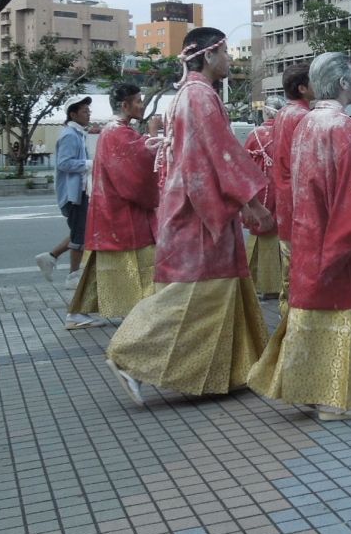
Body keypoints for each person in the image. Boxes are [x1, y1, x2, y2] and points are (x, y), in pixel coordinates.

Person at [104, 27, 273, 405]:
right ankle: (130, 356)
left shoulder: (186, 96)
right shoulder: (199, 96)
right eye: (226, 52)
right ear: (209, 55)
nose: (230, 59)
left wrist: (242, 198)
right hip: (200, 210)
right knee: (197, 292)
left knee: (215, 290)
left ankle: (231, 371)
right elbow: (221, 153)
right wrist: (252, 199)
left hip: (197, 202)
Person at [248, 54, 351, 420]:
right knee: (348, 315)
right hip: (340, 238)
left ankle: (310, 389)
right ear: (342, 83)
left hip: (310, 232)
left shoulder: (306, 122)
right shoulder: (340, 124)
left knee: (313, 314)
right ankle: (337, 400)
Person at [68, 83, 162, 328]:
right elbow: (139, 168)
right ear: (125, 105)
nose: (142, 105)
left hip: (110, 207)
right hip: (122, 209)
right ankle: (148, 307)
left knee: (101, 263)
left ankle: (79, 312)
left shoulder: (115, 131)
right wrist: (153, 134)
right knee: (145, 259)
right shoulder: (118, 133)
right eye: (139, 101)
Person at [269, 63, 315, 310]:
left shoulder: (282, 115)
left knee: (289, 268)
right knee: (302, 270)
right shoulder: (304, 117)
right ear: (302, 88)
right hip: (301, 203)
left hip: (284, 200)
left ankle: (286, 319)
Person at [36, 97, 93, 290]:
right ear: (73, 115)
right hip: (73, 194)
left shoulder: (77, 134)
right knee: (80, 236)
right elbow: (64, 163)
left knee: (82, 231)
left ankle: (50, 258)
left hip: (79, 191)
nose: (89, 113)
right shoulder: (70, 135)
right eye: (85, 111)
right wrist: (88, 164)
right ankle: (73, 276)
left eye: (88, 110)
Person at [243, 96, 286, 301]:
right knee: (281, 238)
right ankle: (281, 283)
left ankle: (254, 283)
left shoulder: (254, 135)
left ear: (265, 112)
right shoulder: (286, 133)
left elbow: (244, 167)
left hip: (259, 193)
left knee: (258, 239)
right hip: (281, 190)